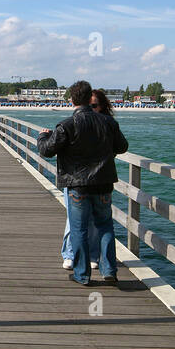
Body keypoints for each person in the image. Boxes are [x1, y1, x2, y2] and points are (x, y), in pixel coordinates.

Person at [37, 81, 128, 286]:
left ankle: (82, 274)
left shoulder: (66, 125)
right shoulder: (108, 123)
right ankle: (109, 270)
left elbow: (47, 150)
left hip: (78, 185)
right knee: (105, 226)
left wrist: (43, 136)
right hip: (103, 184)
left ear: (71, 100)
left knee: (79, 229)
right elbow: (122, 147)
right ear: (89, 99)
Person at [58, 89, 115, 270]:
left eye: (95, 106)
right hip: (85, 181)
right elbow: (122, 146)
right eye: (89, 105)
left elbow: (50, 148)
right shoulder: (81, 124)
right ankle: (71, 254)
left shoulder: (105, 124)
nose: (91, 108)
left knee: (90, 222)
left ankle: (89, 262)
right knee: (80, 221)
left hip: (87, 181)